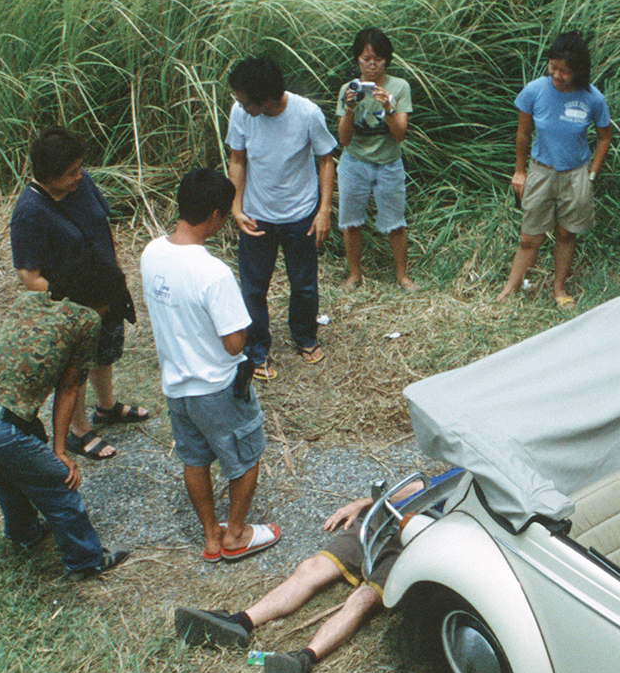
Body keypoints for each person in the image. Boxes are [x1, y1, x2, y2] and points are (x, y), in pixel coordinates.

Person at [0, 258, 132, 582]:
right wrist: (60, 451)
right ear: (103, 298)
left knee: (8, 474)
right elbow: (69, 387)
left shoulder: (29, 299)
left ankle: (23, 534)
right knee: (58, 482)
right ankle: (86, 560)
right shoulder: (86, 320)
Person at [174, 473, 441, 673]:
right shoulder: (458, 472)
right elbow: (418, 487)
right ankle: (239, 622)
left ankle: (303, 659)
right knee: (312, 568)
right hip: (381, 523)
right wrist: (360, 504)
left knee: (365, 598)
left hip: (415, 545)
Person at [141, 168, 281, 562]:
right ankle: (235, 533)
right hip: (217, 386)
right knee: (246, 455)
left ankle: (210, 535)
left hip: (176, 385)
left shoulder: (151, 252)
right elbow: (235, 341)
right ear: (216, 215)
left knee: (195, 458)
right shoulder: (213, 272)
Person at [9, 126, 152, 461]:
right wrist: (73, 305)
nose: (79, 176)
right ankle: (79, 431)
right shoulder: (29, 212)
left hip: (105, 290)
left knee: (107, 351)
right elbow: (28, 274)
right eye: (71, 173)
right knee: (75, 369)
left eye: (79, 168)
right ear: (48, 175)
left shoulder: (81, 183)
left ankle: (107, 407)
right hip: (75, 305)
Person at [226, 56, 337, 378]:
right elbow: (237, 158)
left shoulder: (307, 114)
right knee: (253, 288)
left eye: (246, 102)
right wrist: (236, 208)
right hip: (257, 216)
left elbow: (326, 160)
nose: (240, 106)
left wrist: (324, 211)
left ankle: (305, 336)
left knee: (303, 284)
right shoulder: (240, 113)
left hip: (301, 214)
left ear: (268, 100)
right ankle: (257, 349)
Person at [499, 31, 613, 307]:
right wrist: (520, 171)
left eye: (565, 71)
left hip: (576, 174)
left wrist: (592, 175)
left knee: (566, 234)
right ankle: (509, 289)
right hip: (540, 171)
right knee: (529, 237)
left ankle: (559, 288)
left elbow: (604, 137)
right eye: (553, 67)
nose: (557, 75)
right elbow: (523, 135)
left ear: (579, 71)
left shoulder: (592, 98)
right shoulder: (534, 91)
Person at [334, 28, 416, 291]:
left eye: (378, 59)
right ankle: (355, 274)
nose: (372, 65)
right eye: (366, 59)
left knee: (396, 223)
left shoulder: (399, 86)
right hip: (354, 162)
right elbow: (344, 140)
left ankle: (402, 275)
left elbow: (400, 135)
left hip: (388, 162)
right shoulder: (349, 89)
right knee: (351, 222)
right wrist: (349, 108)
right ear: (357, 59)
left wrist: (388, 107)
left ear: (386, 60)